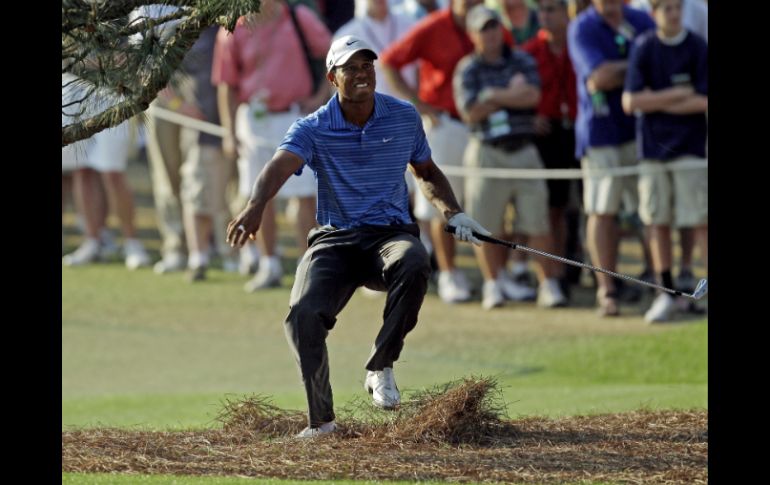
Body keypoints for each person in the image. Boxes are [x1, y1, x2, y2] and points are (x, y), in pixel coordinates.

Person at [226, 35, 489, 438]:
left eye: (368, 66)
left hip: (389, 235)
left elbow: (427, 173)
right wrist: (255, 205)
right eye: (351, 68)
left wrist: (454, 214)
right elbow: (278, 167)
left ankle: (380, 365)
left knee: (415, 259)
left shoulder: (403, 116)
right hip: (337, 240)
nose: (362, 74)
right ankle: (322, 422)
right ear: (333, 77)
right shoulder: (312, 127)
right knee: (302, 316)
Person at [622, 0, 707, 322]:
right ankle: (666, 292)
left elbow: (702, 101)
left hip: (690, 149)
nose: (673, 13)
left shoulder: (698, 46)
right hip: (653, 152)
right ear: (654, 13)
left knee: (700, 221)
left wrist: (655, 100)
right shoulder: (644, 47)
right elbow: (631, 101)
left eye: (677, 7)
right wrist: (677, 94)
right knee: (657, 221)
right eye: (666, 8)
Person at [567, 0, 654, 316]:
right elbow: (599, 77)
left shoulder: (641, 19)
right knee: (601, 211)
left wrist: (618, 68)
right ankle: (607, 290)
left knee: (650, 209)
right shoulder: (582, 26)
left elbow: (659, 64)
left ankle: (658, 281)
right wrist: (637, 64)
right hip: (600, 133)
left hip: (642, 130)